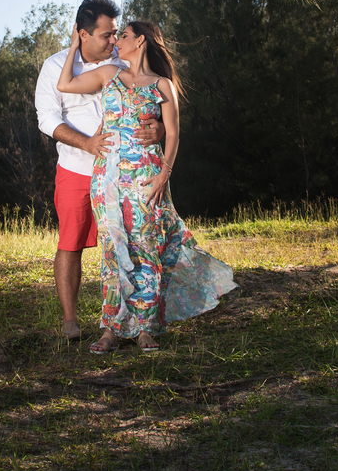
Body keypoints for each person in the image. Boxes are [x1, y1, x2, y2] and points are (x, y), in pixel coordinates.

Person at [56, 19, 237, 354]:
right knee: (112, 253)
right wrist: (73, 44)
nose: (115, 41)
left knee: (144, 250)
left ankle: (144, 329)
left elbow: (173, 132)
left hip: (146, 177)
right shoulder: (108, 75)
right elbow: (65, 84)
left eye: (121, 36)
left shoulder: (162, 85)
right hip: (107, 179)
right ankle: (110, 329)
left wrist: (163, 175)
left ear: (139, 41)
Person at [34, 0, 163, 341]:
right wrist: (87, 144)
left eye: (115, 34)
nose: (112, 41)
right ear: (82, 34)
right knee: (71, 241)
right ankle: (70, 321)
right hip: (77, 169)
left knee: (133, 242)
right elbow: (47, 119)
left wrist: (159, 130)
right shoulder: (55, 66)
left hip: (124, 173)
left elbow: (155, 106)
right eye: (106, 35)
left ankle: (137, 321)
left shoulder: (124, 62)